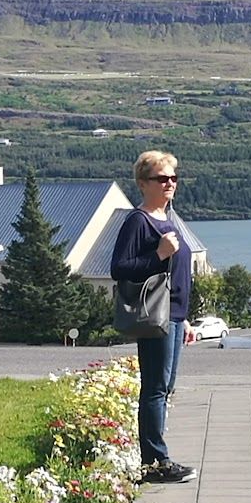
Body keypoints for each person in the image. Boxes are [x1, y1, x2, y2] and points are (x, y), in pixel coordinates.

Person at [110, 150, 196, 484]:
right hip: (155, 318)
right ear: (143, 183)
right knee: (155, 389)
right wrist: (158, 254)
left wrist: (185, 317)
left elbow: (177, 275)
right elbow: (120, 268)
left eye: (174, 177)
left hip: (173, 316)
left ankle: (157, 460)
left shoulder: (168, 218)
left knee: (165, 387)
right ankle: (156, 462)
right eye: (162, 178)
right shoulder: (138, 221)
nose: (170, 183)